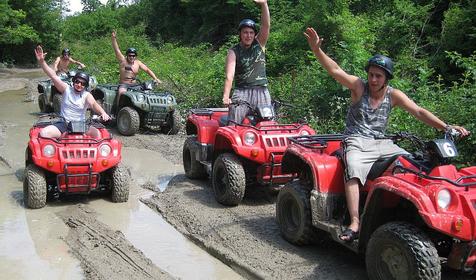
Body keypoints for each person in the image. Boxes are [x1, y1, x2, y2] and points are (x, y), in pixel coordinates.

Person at [303, 27, 469, 242]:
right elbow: (335, 71)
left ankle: (424, 211)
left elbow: (419, 111)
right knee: (353, 170)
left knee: (413, 163)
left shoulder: (394, 96)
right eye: (371, 75)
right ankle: (355, 221)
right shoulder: (358, 87)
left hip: (382, 142)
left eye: (378, 76)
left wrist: (446, 127)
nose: (373, 80)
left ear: (386, 78)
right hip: (356, 141)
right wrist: (317, 50)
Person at [34, 45, 111, 139]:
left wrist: (103, 113)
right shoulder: (66, 89)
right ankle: (62, 139)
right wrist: (42, 62)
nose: (79, 85)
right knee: (44, 133)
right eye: (77, 82)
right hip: (64, 124)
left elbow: (94, 104)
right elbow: (53, 76)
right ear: (73, 81)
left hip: (81, 125)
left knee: (97, 135)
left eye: (82, 83)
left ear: (85, 86)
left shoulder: (86, 95)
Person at [222, 0, 271, 124]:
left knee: (267, 126)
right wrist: (226, 96)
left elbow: (266, 26)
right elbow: (229, 75)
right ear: (240, 34)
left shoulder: (259, 44)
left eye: (251, 32)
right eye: (245, 32)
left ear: (254, 34)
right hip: (242, 92)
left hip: (262, 91)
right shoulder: (234, 51)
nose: (248, 35)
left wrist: (264, 4)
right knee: (234, 125)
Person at [111, 30, 162, 111]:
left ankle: (147, 109)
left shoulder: (138, 63)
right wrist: (114, 39)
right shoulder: (122, 61)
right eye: (130, 55)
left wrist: (155, 78)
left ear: (135, 56)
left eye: (133, 56)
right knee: (121, 93)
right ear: (127, 55)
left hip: (135, 85)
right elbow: (116, 49)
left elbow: (147, 70)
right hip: (124, 85)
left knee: (148, 89)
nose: (132, 57)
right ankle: (117, 110)